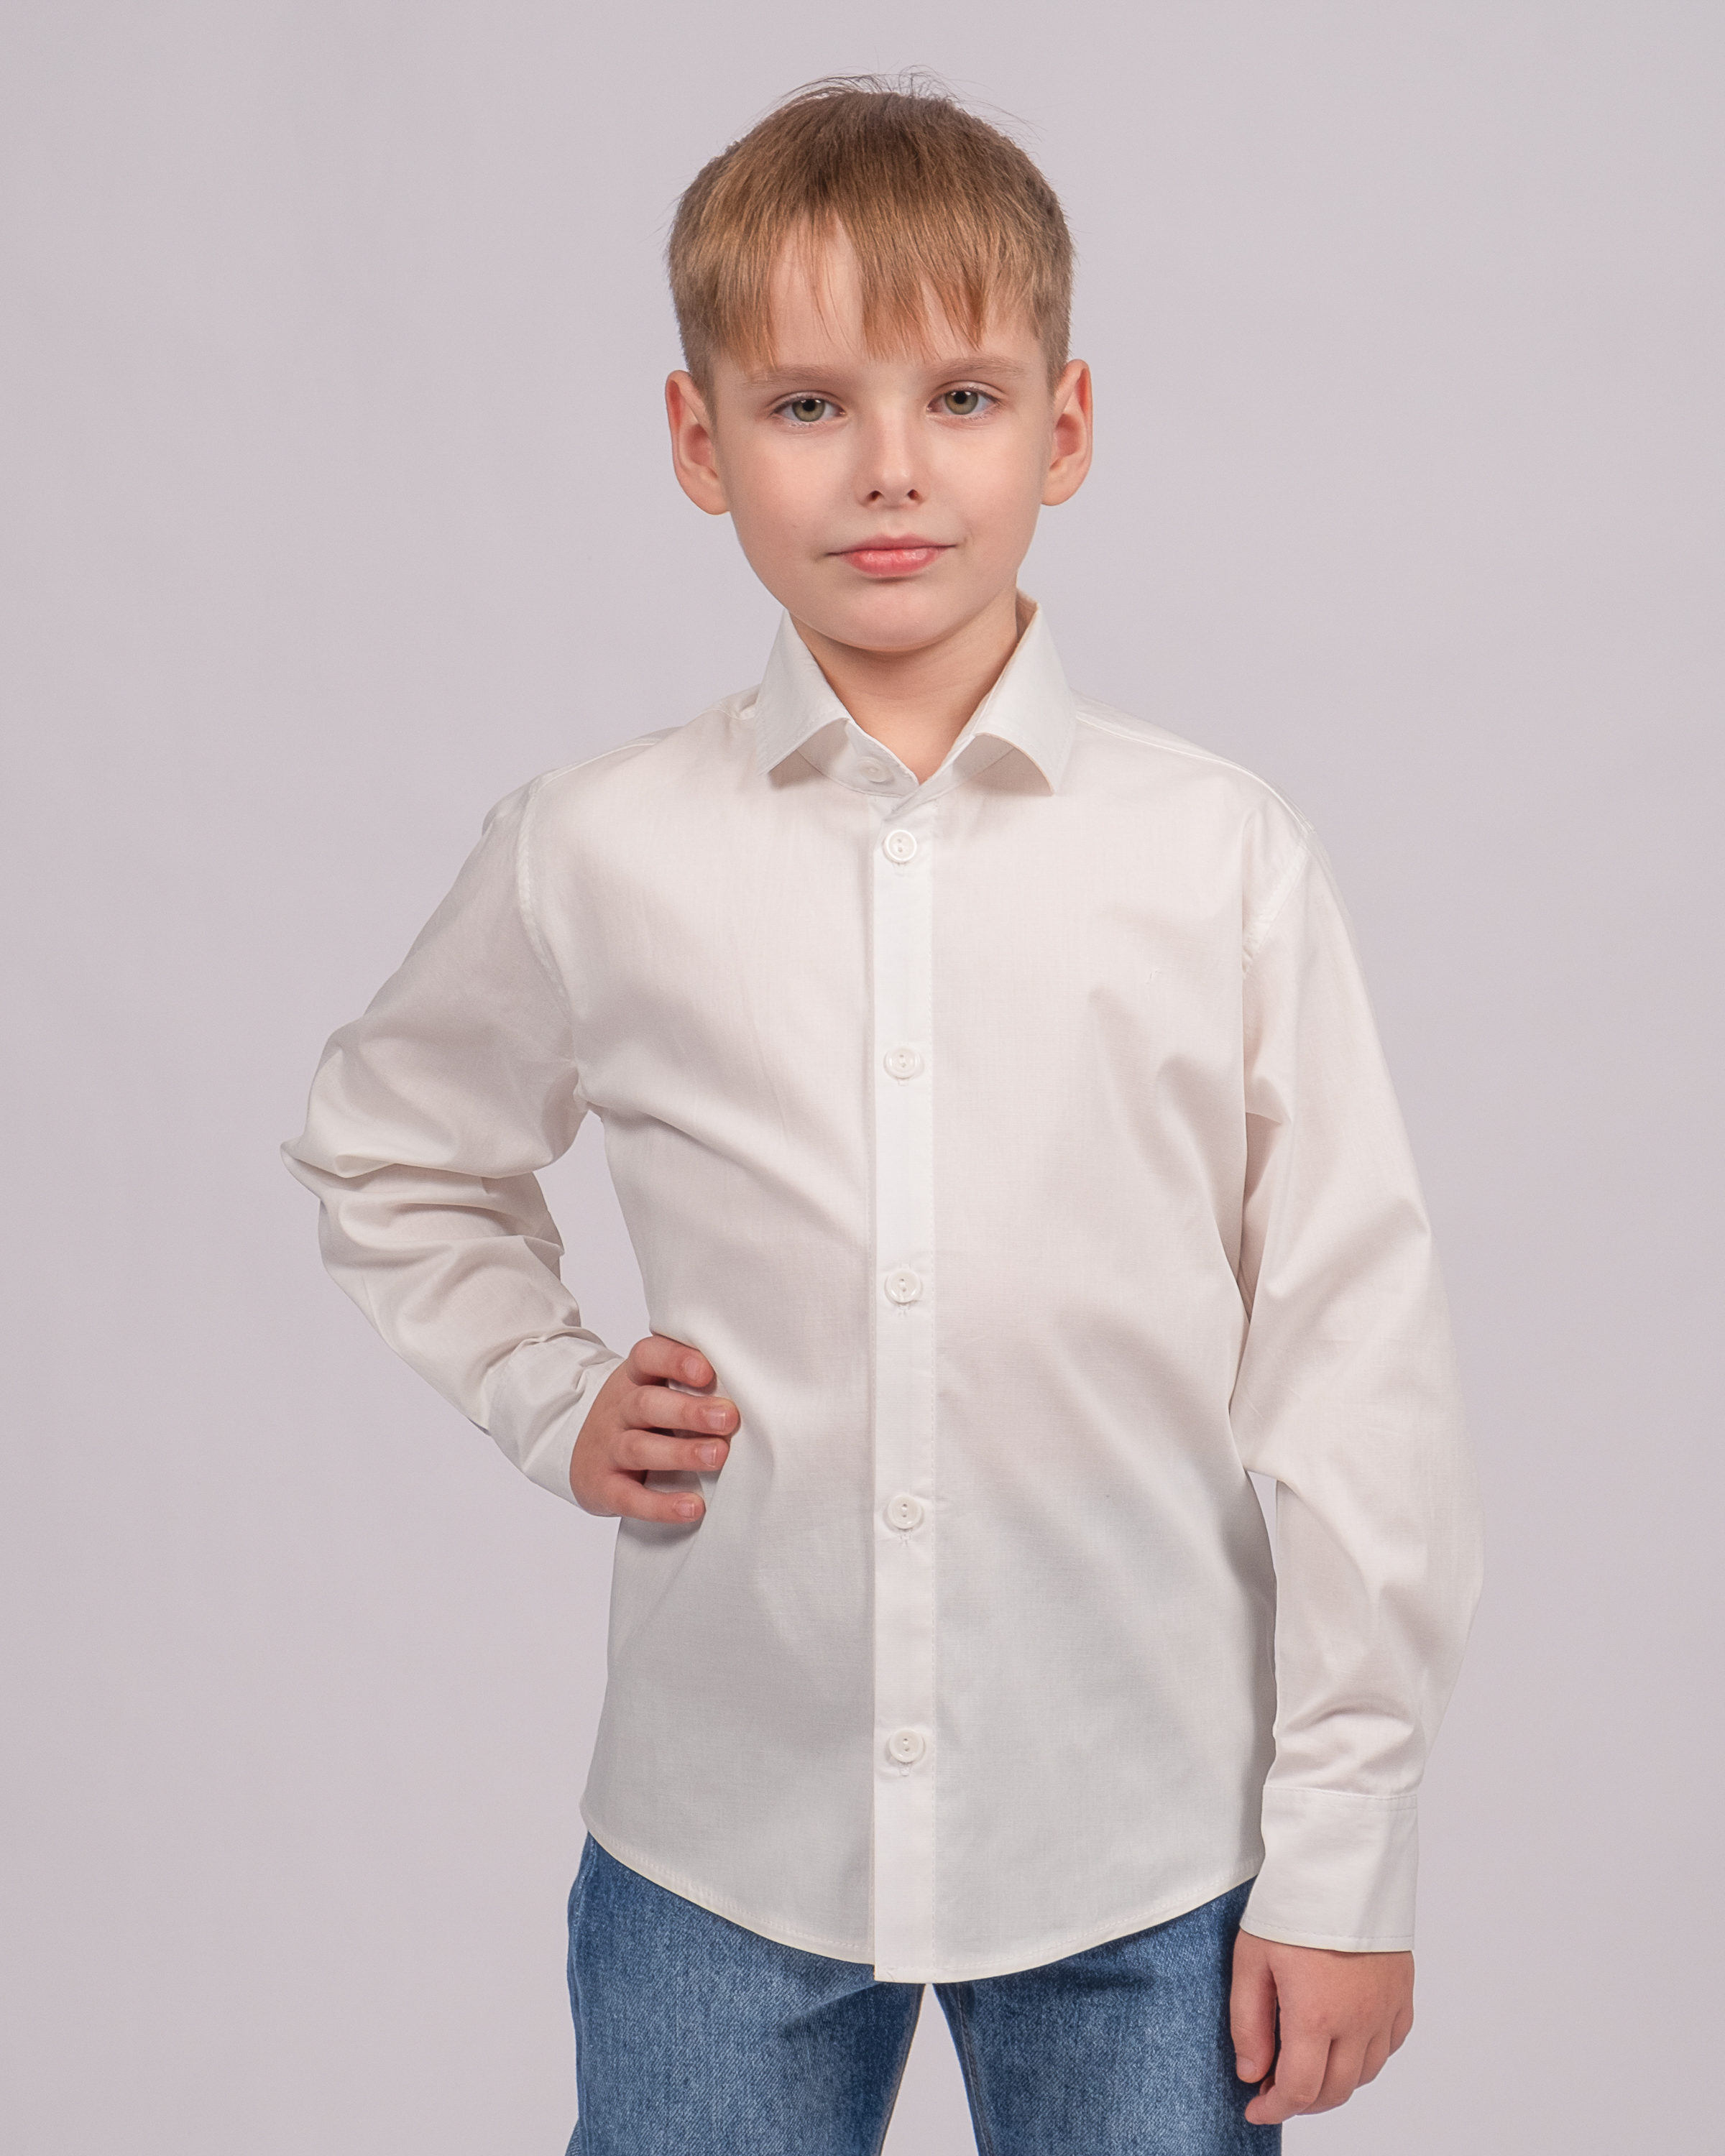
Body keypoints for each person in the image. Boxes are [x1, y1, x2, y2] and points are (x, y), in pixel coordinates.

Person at [285, 77, 1482, 2156]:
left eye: (963, 397)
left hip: (1146, 1848)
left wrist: (1347, 1847)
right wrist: (548, 1391)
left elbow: (1353, 1350)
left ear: (1066, 427)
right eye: (808, 405)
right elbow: (393, 1149)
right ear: (700, 442)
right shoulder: (599, 846)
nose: (892, 469)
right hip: (723, 1838)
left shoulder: (1220, 860)